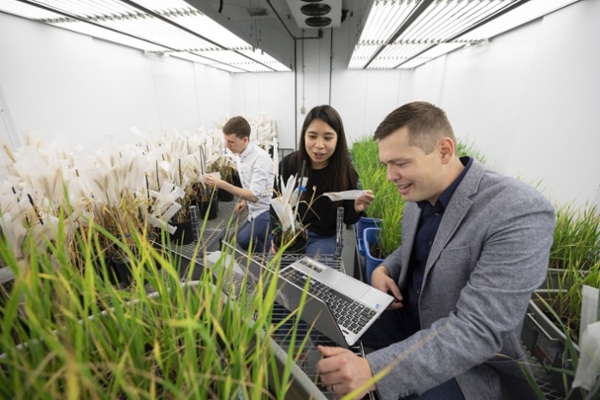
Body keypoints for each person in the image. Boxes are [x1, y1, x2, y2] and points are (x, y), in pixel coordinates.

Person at [315, 101, 555, 400]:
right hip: (407, 319)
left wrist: (374, 371)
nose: (390, 176)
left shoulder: (518, 210)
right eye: (386, 165)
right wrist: (383, 268)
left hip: (470, 361)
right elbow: (416, 248)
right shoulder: (421, 194)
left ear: (444, 150)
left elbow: (479, 329)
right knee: (320, 310)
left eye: (400, 163)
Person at [272, 105, 374, 257]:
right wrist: (275, 238)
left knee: (307, 274)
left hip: (325, 238)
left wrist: (356, 209)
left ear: (338, 139)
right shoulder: (289, 164)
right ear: (304, 136)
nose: (319, 146)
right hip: (291, 231)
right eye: (312, 136)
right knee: (280, 270)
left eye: (328, 138)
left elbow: (347, 218)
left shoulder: (346, 173)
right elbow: (276, 203)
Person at [205, 116, 274, 253]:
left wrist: (222, 184)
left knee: (243, 239)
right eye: (226, 141)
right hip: (253, 210)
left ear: (245, 140)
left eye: (231, 142)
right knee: (249, 238)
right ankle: (267, 251)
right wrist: (244, 201)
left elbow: (254, 195)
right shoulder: (240, 155)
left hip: (267, 210)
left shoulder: (260, 159)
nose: (227, 146)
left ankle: (269, 260)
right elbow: (249, 184)